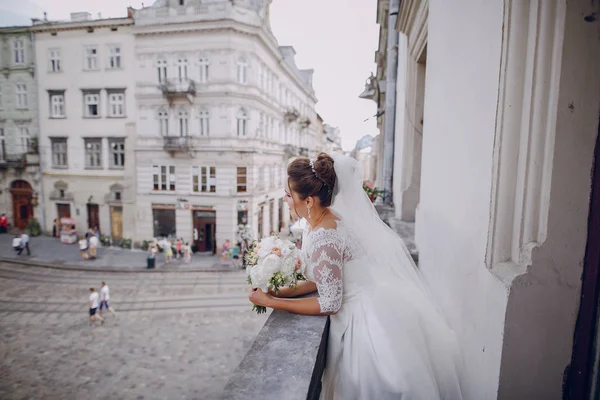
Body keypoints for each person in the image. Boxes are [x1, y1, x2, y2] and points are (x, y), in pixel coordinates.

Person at [248, 153, 464, 399]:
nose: (285, 200)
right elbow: (321, 278)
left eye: (288, 195)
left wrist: (271, 302)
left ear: (308, 201)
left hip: (365, 318)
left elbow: (330, 302)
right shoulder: (318, 222)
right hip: (375, 295)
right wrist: (279, 291)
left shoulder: (323, 237)